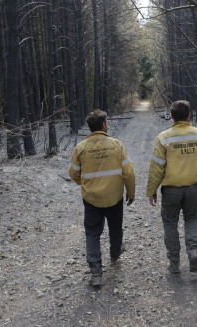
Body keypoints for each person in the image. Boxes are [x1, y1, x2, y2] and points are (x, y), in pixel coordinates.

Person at [69, 110, 136, 287]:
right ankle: (115, 254)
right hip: (114, 197)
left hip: (91, 199)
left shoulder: (81, 148)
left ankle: (96, 272)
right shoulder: (117, 145)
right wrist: (130, 193)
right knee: (115, 227)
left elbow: (73, 173)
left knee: (92, 233)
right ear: (104, 125)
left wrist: (84, 184)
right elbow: (128, 173)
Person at [147, 100, 197, 275]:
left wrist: (151, 190)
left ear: (171, 116)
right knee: (191, 219)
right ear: (189, 115)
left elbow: (156, 167)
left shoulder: (164, 137)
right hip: (193, 188)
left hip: (171, 191)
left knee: (170, 224)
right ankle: (193, 252)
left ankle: (174, 263)